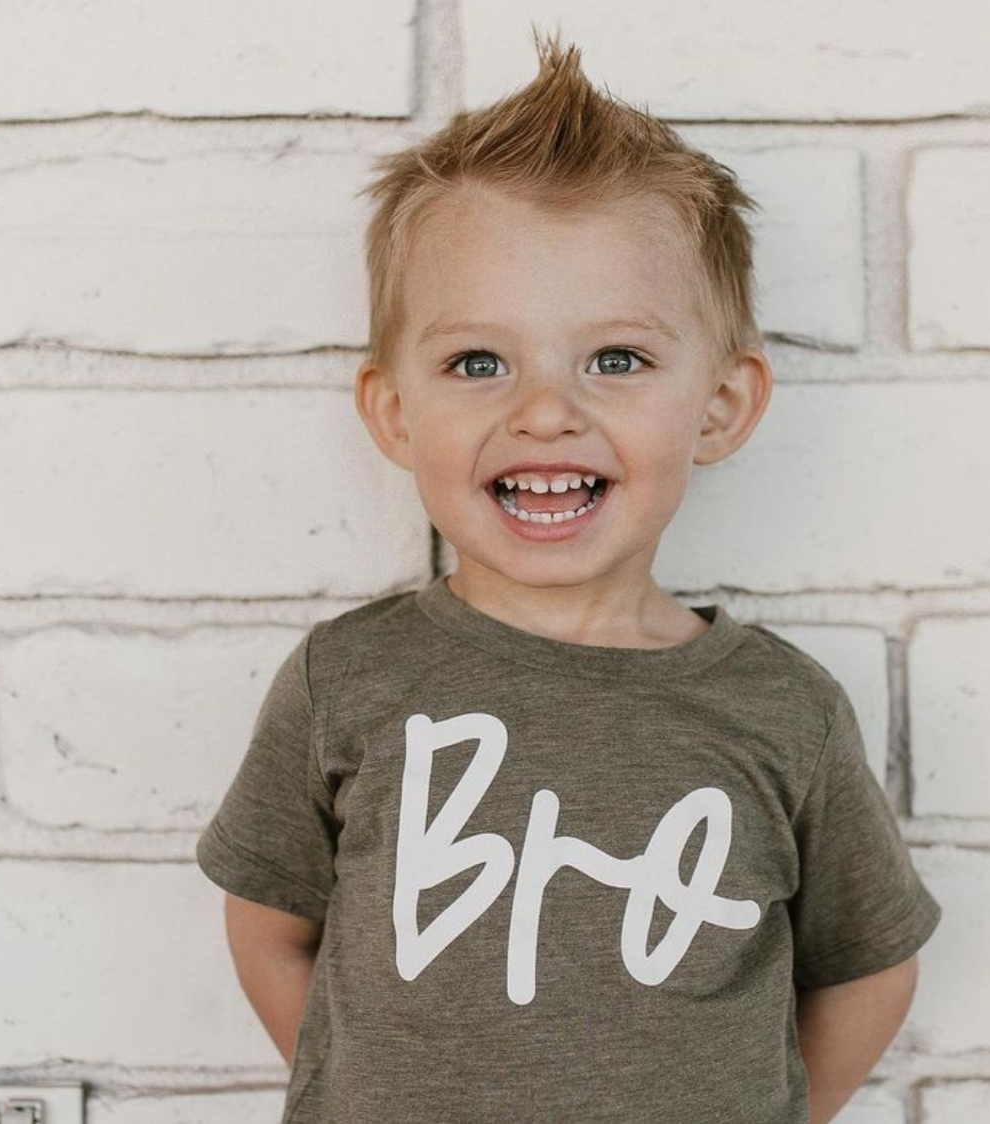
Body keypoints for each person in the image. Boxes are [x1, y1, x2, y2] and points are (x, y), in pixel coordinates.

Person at [195, 25, 942, 1124]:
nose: (544, 411)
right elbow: (269, 925)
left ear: (720, 406)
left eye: (615, 359)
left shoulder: (784, 711)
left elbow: (867, 966)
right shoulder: (345, 683)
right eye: (478, 362)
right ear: (395, 412)